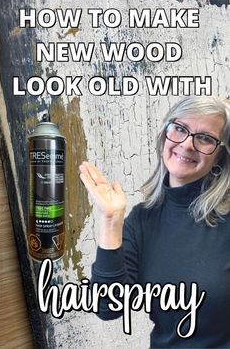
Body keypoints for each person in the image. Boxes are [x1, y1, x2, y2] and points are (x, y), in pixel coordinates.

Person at [79, 96, 230, 348]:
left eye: (205, 138)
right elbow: (108, 308)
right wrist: (110, 220)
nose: (187, 144)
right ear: (165, 136)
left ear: (219, 156)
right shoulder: (141, 219)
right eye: (180, 129)